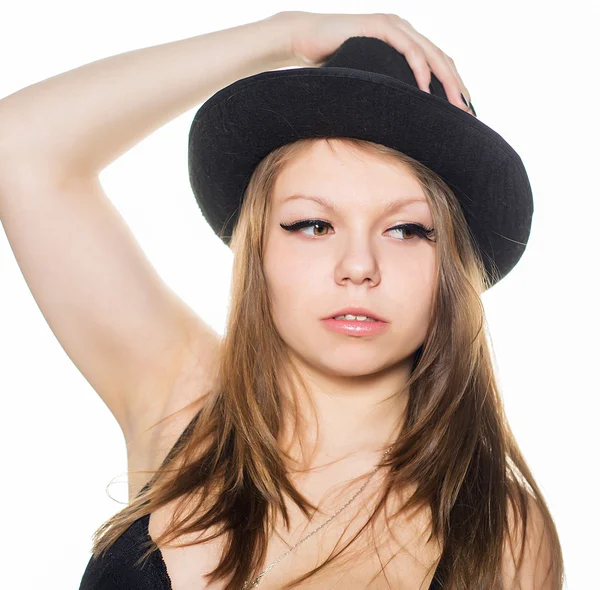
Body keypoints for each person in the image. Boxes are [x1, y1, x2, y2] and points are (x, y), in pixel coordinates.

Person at [0, 11, 564, 589]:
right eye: (314, 225)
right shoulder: (178, 395)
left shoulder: (505, 532)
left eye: (407, 230)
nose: (359, 267)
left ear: (452, 266)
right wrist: (285, 35)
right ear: (259, 248)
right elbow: (18, 146)